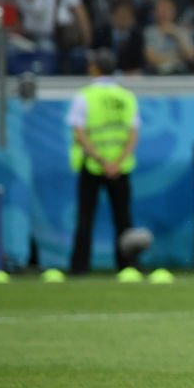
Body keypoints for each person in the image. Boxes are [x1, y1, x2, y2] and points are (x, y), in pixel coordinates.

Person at [68, 50, 140, 275]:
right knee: (123, 219)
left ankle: (79, 268)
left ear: (94, 68)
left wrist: (101, 160)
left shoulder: (85, 96)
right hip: (120, 167)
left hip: (92, 165)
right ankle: (128, 266)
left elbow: (80, 134)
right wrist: (116, 162)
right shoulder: (126, 96)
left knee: (85, 218)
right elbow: (133, 134)